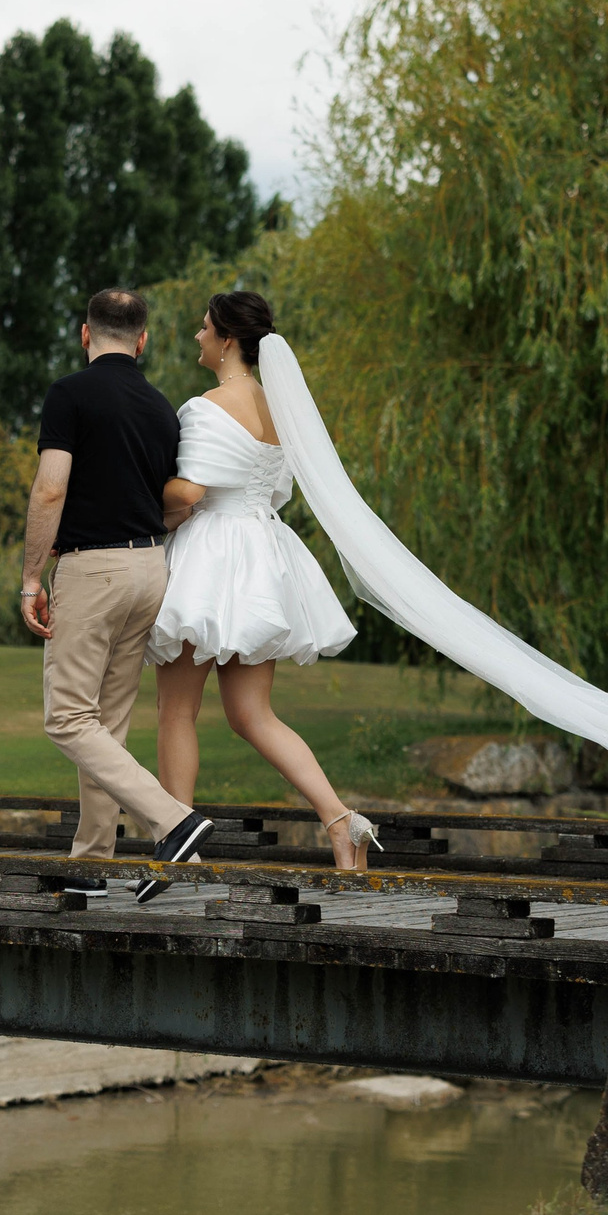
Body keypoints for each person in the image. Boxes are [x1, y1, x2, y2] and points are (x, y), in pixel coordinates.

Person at [149, 290, 381, 869]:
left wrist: (141, 504)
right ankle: (340, 821)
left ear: (227, 339)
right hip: (263, 556)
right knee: (253, 715)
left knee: (177, 710)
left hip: (212, 553)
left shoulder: (206, 406)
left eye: (204, 329)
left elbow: (191, 492)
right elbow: (276, 491)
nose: (197, 337)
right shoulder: (282, 409)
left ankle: (179, 842)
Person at [19, 288, 217, 904]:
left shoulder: (69, 394)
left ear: (85, 335)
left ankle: (172, 820)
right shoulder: (162, 409)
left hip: (93, 571)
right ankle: (91, 861)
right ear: (143, 339)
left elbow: (51, 490)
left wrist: (30, 578)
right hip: (150, 569)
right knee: (105, 723)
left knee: (67, 717)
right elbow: (178, 500)